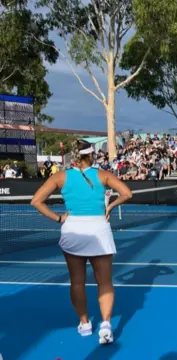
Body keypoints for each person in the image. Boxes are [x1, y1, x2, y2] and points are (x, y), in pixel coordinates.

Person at [30, 139, 132, 345]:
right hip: (98, 229)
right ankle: (105, 325)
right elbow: (127, 193)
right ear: (91, 155)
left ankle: (85, 324)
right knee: (104, 282)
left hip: (73, 229)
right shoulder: (103, 175)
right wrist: (110, 207)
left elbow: (36, 201)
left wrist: (59, 218)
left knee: (77, 281)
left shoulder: (60, 177)